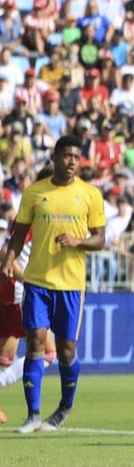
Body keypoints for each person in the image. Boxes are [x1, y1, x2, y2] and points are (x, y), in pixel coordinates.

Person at [0, 136, 106, 434]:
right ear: (55, 157)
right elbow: (18, 234)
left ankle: (64, 407)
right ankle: (33, 415)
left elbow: (100, 239)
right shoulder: (35, 193)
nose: (72, 161)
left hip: (71, 285)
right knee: (34, 344)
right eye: (67, 156)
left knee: (66, 349)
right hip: (37, 282)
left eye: (76, 156)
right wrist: (9, 258)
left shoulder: (90, 195)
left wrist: (79, 241)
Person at [0, 167, 58, 425]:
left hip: (21, 289)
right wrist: (31, 280)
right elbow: (6, 255)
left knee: (7, 357)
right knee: (45, 353)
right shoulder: (35, 215)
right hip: (20, 291)